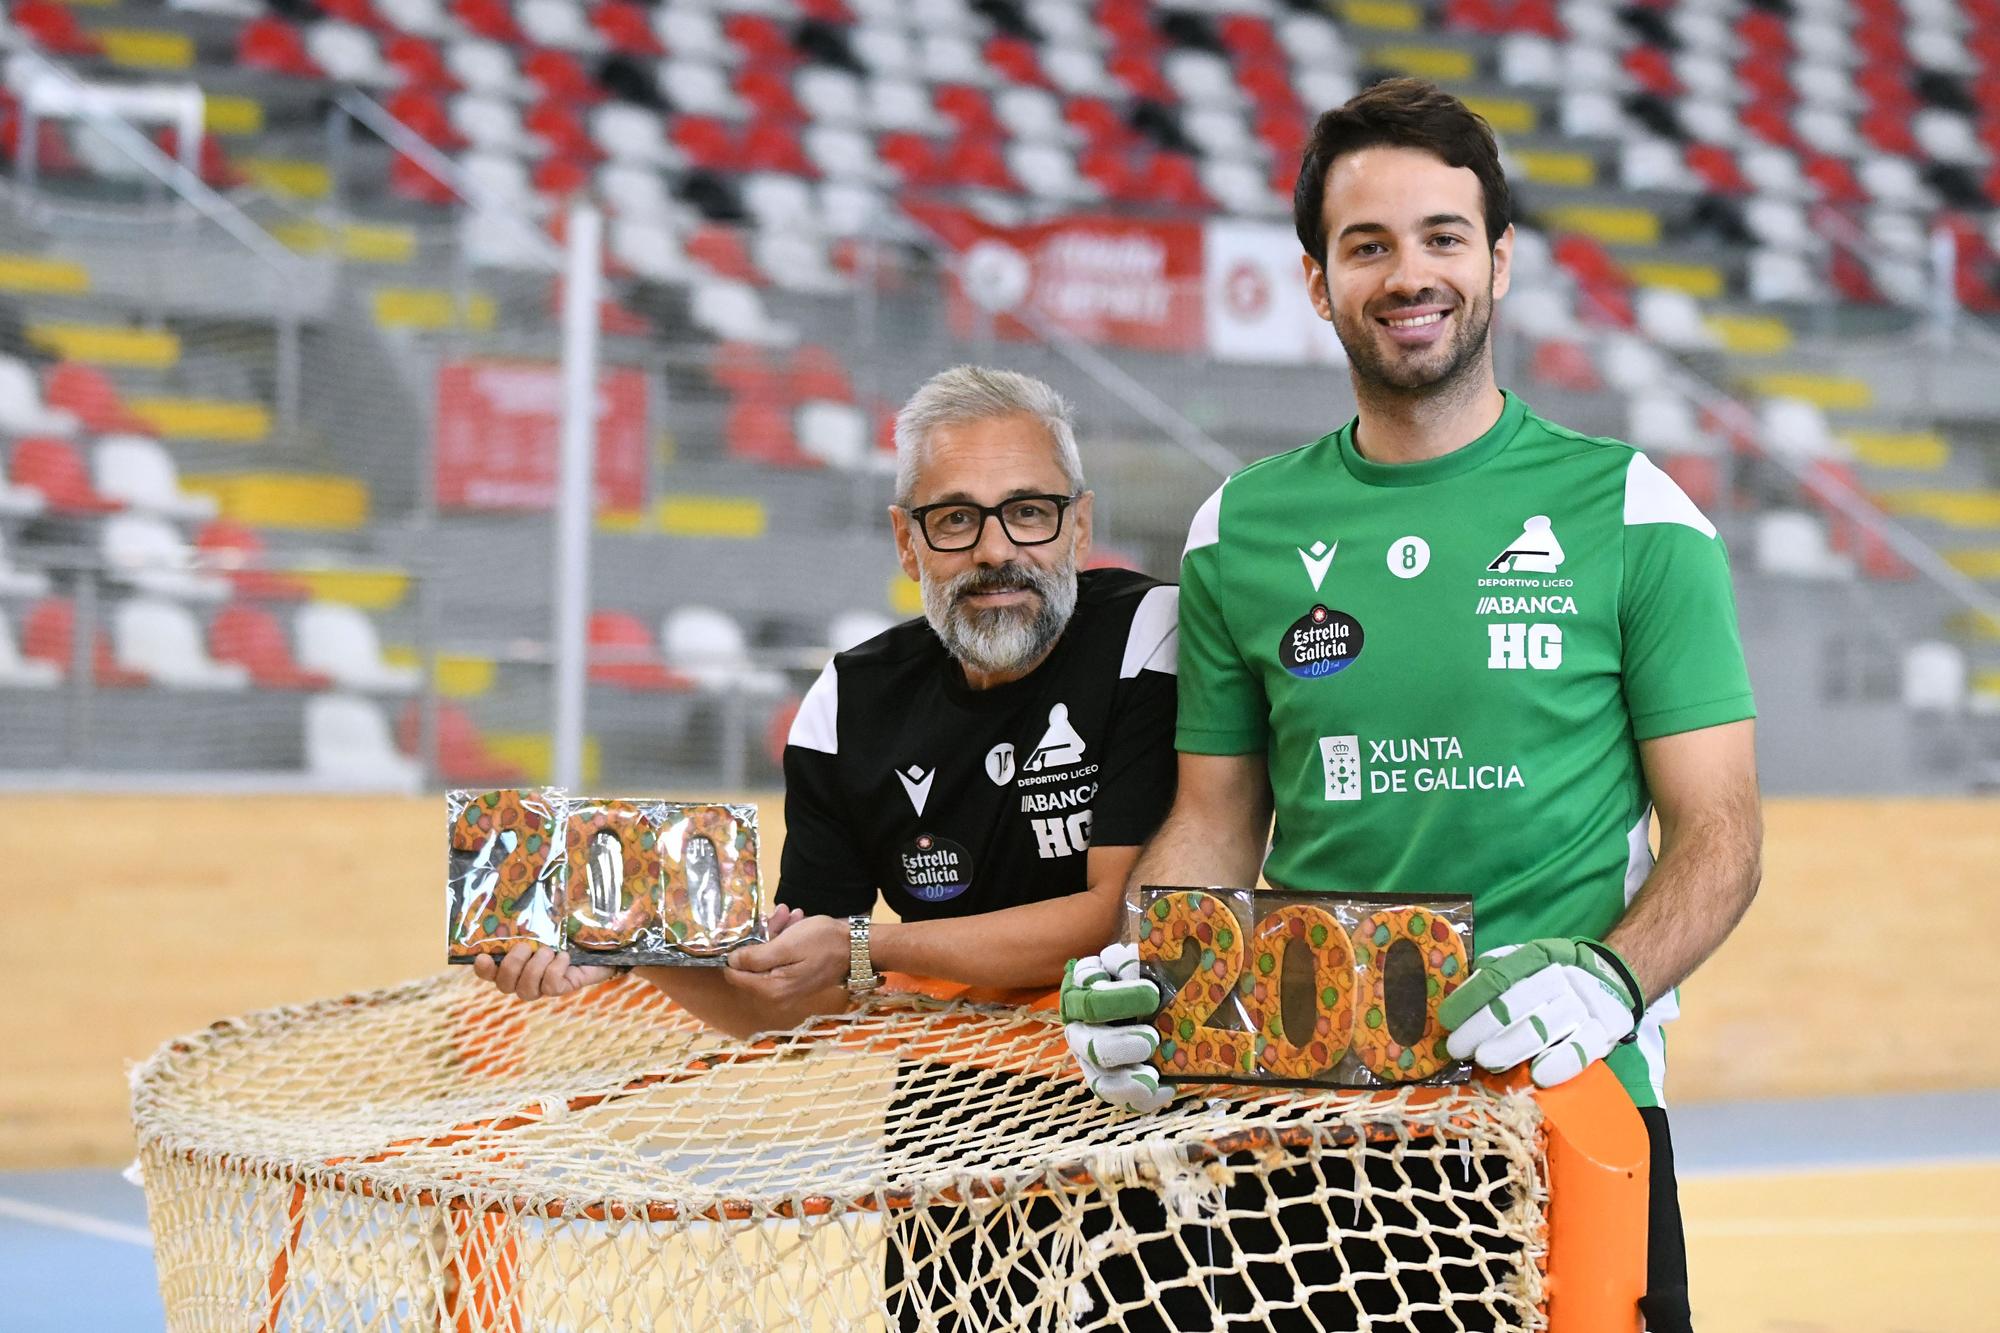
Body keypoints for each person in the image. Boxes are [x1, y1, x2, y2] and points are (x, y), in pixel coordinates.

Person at [1064, 78, 1761, 1333]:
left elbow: (1720, 836)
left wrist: (1607, 977)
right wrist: (1152, 968)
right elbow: (1216, 820)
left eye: (1442, 236)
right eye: (1365, 244)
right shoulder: (1240, 528)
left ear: (1497, 262)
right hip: (1315, 1118)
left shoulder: (1632, 512)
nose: (1407, 274)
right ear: (1316, 282)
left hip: (1562, 1104)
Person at [477, 364, 1184, 1329]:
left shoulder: (1150, 632)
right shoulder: (848, 704)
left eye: (1028, 512)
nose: (997, 551)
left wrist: (872, 949)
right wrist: (625, 944)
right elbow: (785, 1000)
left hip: (1150, 1107)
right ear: (906, 539)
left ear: (1079, 526)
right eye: (954, 520)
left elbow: (1115, 920)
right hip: (954, 1136)